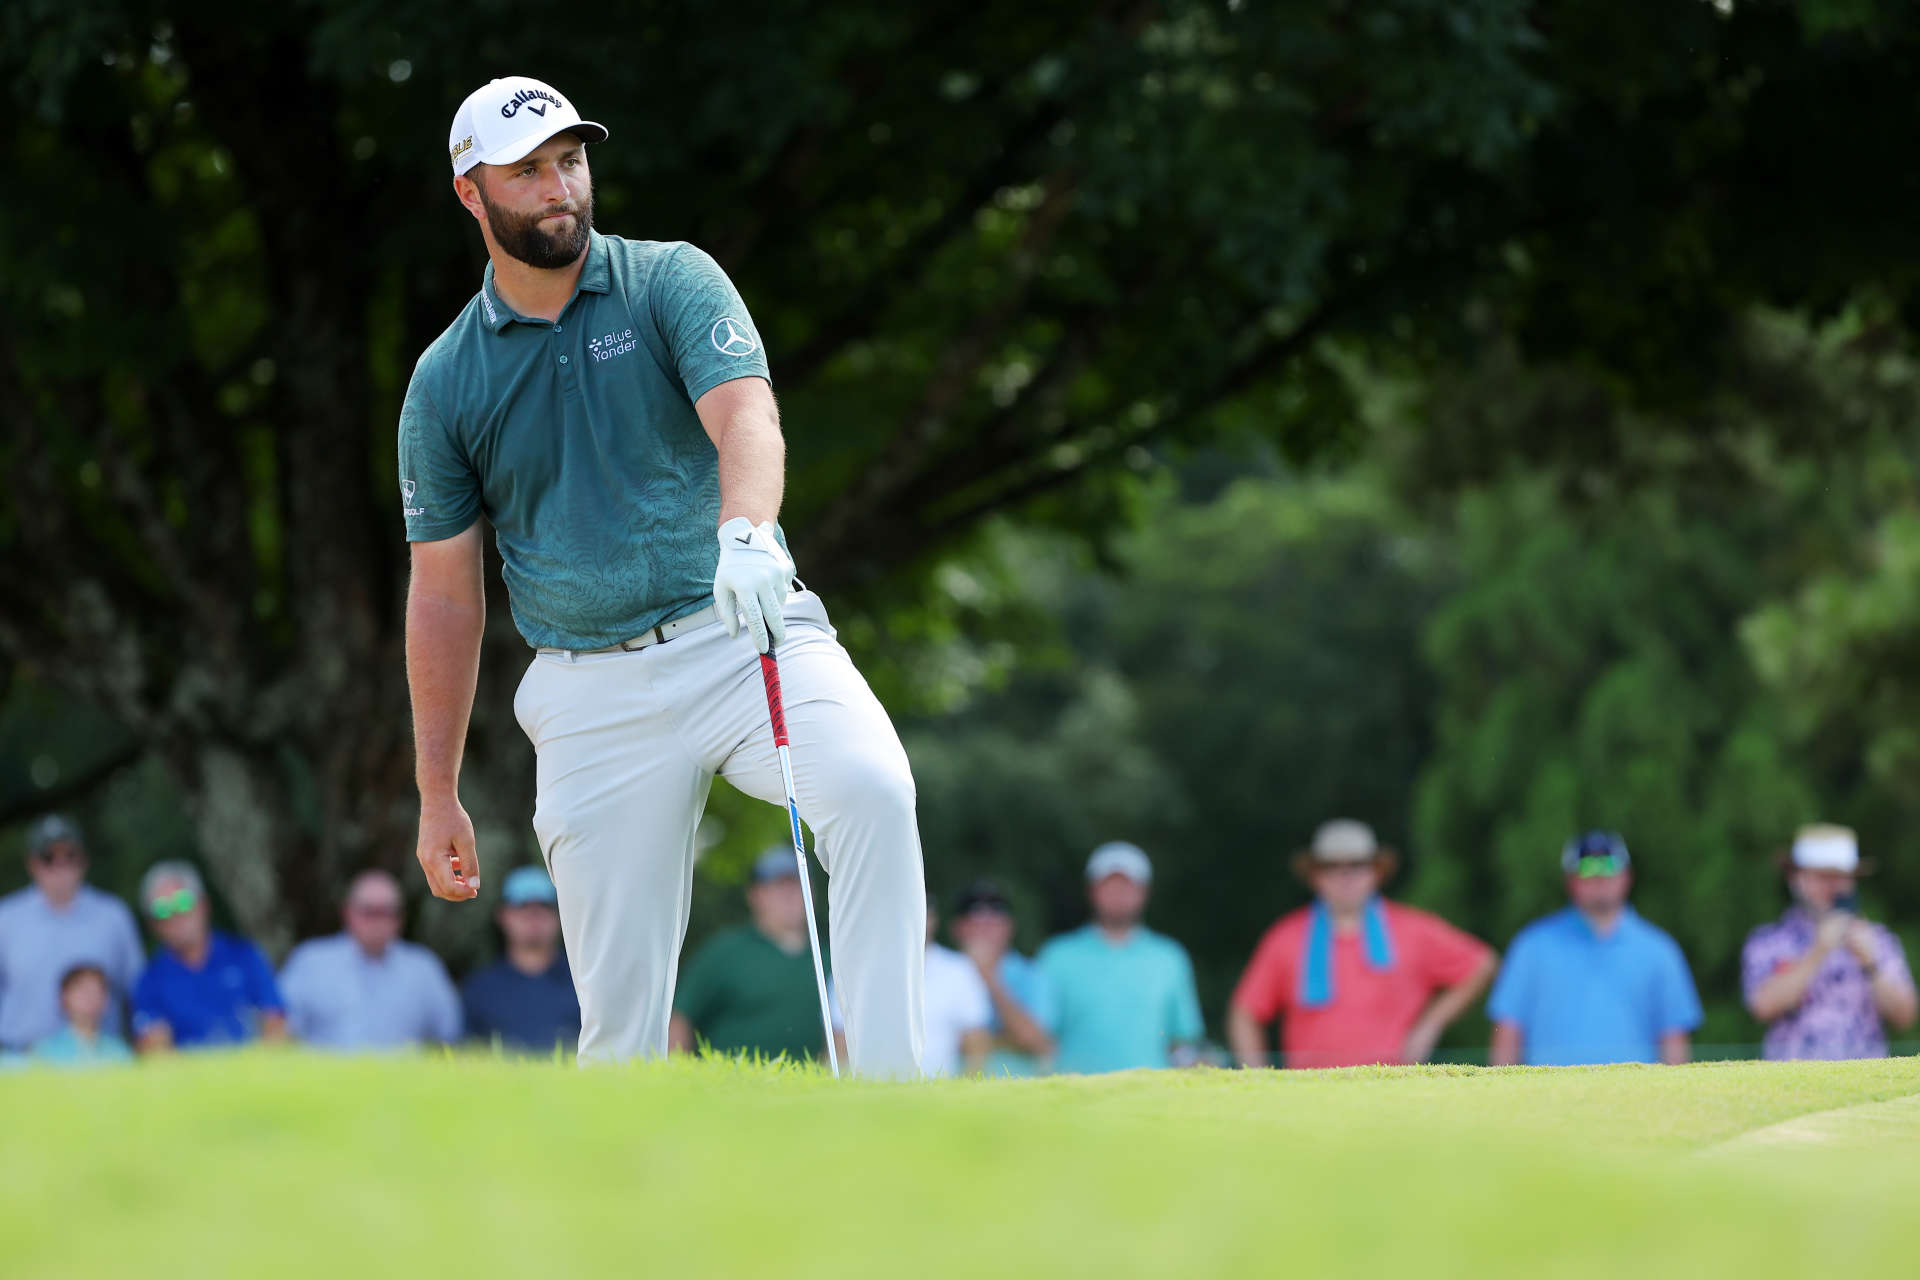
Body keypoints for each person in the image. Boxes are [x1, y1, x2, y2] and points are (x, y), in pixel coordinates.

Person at [400, 75, 924, 1075]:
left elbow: (745, 417)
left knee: (871, 786)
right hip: (588, 688)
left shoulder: (668, 279)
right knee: (620, 1017)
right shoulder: (446, 379)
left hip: (739, 624)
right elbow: (444, 594)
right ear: (471, 192)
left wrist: (748, 531)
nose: (560, 187)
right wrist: (436, 789)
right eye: (528, 172)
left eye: (571, 160)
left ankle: (895, 1087)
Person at [1228, 820, 1495, 1069]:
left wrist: (1429, 1027)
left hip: (1395, 1092)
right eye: (1331, 866)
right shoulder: (1285, 938)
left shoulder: (1415, 930)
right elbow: (1245, 1013)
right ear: (1315, 876)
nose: (1345, 875)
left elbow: (1482, 963)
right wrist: (1260, 1078)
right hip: (1310, 1096)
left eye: (1356, 865)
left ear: (1375, 872)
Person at [1487, 831, 1701, 1066]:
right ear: (1570, 881)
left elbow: (1674, 1041)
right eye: (1587, 868)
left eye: (1608, 865)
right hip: (1548, 1100)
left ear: (1627, 876)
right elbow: (1507, 1033)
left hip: (1635, 1100)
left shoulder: (1661, 951)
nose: (1599, 876)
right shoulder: (1531, 947)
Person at [1743, 824, 1917, 1060]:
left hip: (1864, 1087)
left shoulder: (1879, 940)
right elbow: (1762, 1006)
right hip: (1789, 1090)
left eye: (1840, 876)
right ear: (1795, 878)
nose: (1832, 886)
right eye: (1822, 876)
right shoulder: (1769, 940)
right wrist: (1819, 951)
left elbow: (1905, 1016)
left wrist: (1871, 965)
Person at [1038, 843, 1205, 1074]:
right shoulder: (1056, 956)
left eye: (1126, 886)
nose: (1118, 894)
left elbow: (1181, 1041)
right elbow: (1038, 1038)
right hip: (1073, 1101)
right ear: (1091, 891)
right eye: (1109, 885)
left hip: (1152, 1101)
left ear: (1144, 892)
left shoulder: (1170, 958)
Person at [669, 850, 832, 1063]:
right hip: (730, 1088)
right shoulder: (726, 952)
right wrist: (677, 1077)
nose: (790, 894)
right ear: (755, 895)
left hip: (808, 1091)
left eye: (799, 883)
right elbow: (680, 1018)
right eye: (778, 886)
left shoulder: (830, 960)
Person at [0, 814, 143, 1053]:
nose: (60, 866)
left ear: (84, 860)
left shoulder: (113, 916)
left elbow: (136, 990)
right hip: (20, 1060)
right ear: (32, 864)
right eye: (48, 857)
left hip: (98, 1060)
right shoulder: (5, 919)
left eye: (70, 856)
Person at [278, 870, 463, 1051]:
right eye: (369, 912)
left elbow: (450, 1038)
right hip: (325, 1079)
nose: (378, 922)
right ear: (347, 912)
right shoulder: (311, 963)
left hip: (403, 1080)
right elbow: (279, 1033)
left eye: (387, 912)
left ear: (400, 918)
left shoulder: (424, 969)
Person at [130, 861, 286, 1051]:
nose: (176, 914)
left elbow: (275, 1025)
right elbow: (155, 1051)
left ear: (203, 905)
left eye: (183, 902)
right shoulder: (150, 981)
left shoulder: (244, 956)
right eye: (162, 910)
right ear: (153, 925)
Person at [463, 865, 581, 1057]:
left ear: (561, 915)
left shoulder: (584, 985)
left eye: (544, 907)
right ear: (502, 916)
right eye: (522, 907)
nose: (533, 917)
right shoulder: (480, 988)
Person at [949, 880, 1056, 1076]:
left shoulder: (1031, 974)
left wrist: (989, 978)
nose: (985, 923)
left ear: (1010, 926)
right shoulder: (940, 972)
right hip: (949, 1097)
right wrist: (1004, 1040)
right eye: (974, 915)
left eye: (995, 913)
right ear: (957, 928)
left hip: (1018, 1096)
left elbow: (1037, 1042)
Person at [922, 891, 992, 1077]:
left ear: (934, 919)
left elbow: (976, 1046)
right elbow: (840, 1044)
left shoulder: (959, 970)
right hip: (871, 1096)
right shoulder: (861, 969)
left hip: (938, 1095)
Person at [30, 963, 134, 1068]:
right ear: (64, 998)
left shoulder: (120, 1051)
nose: (90, 997)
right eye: (82, 990)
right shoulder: (44, 1052)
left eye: (97, 991)